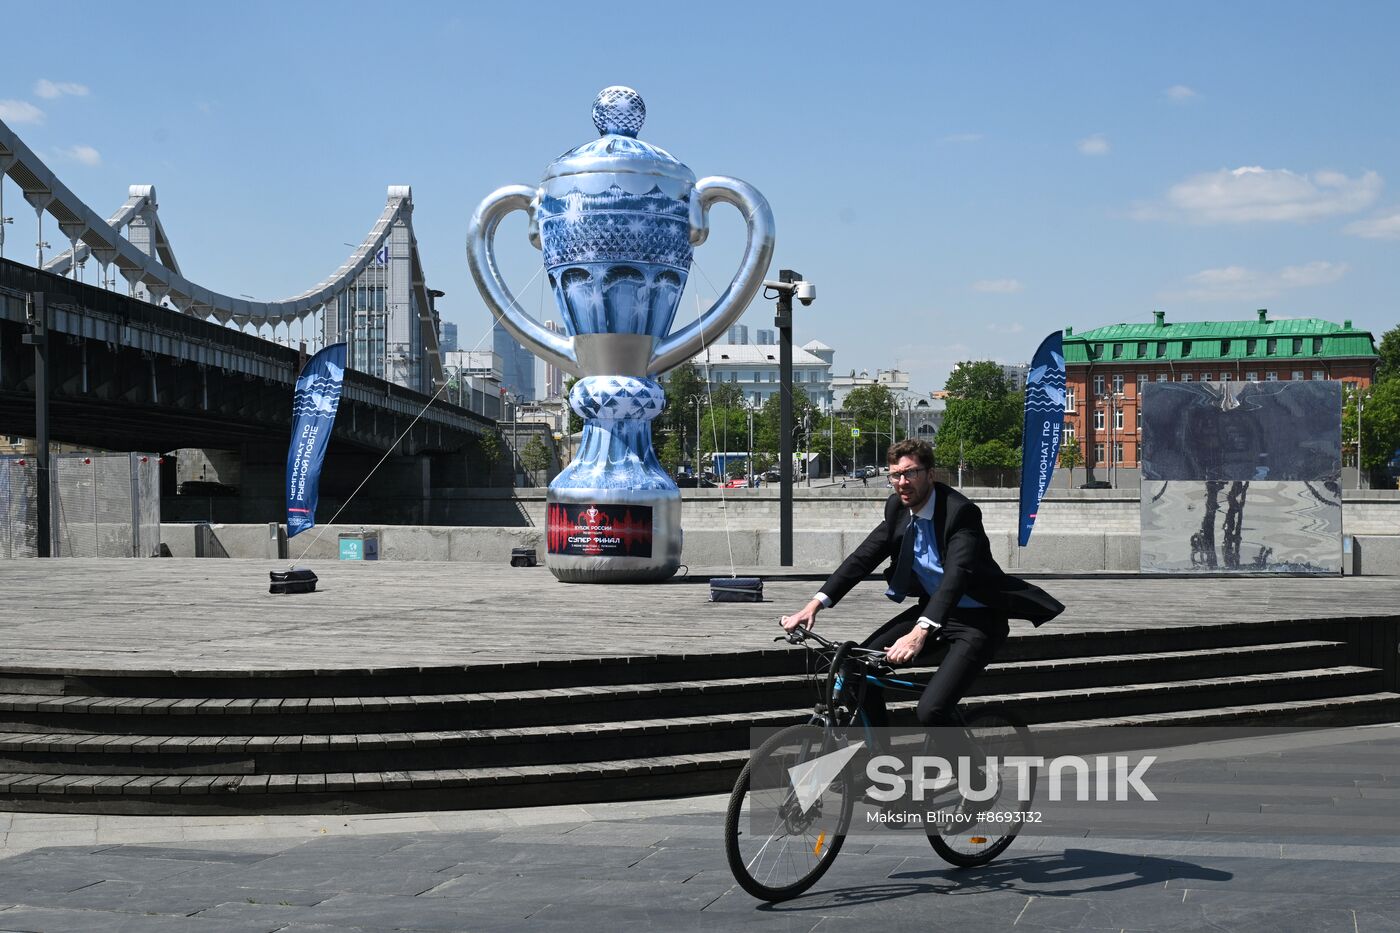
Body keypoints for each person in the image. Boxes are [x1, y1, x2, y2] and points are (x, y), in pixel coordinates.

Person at [781, 439, 1063, 733]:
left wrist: (920, 632)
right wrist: (813, 605)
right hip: (931, 613)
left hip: (978, 623)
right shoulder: (898, 509)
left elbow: (956, 577)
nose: (902, 482)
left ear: (930, 474)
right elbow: (862, 558)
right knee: (854, 668)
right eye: (895, 475)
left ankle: (974, 774)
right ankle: (879, 763)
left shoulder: (960, 513)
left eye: (911, 473)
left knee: (931, 711)